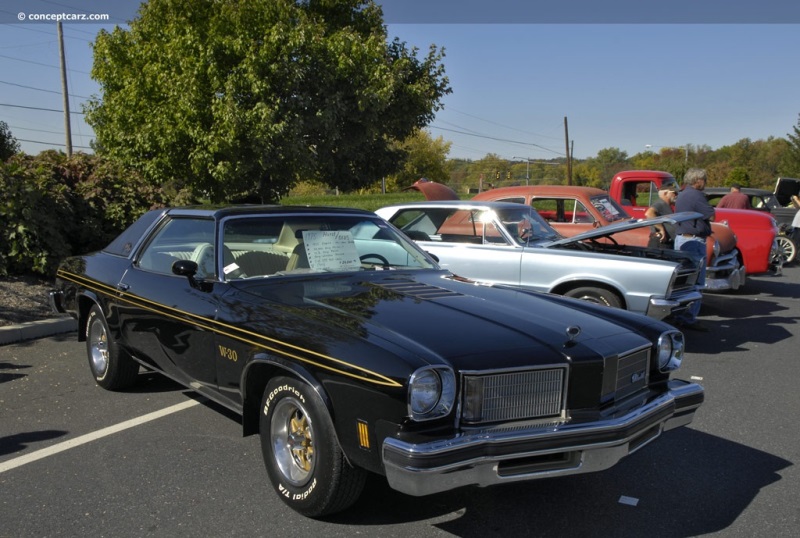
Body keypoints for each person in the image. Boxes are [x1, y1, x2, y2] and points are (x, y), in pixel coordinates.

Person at [673, 168, 716, 331]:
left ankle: (679, 314)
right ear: (697, 181)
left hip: (682, 238)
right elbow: (711, 215)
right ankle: (688, 317)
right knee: (696, 282)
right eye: (704, 180)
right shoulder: (697, 195)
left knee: (683, 280)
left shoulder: (682, 194)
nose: (705, 183)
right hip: (694, 241)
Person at [645, 182, 678, 248]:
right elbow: (649, 213)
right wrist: (661, 229)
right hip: (660, 244)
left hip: (667, 242)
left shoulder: (666, 205)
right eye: (674, 193)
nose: (676, 195)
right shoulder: (660, 203)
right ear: (665, 193)